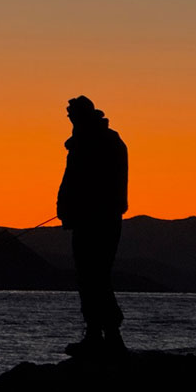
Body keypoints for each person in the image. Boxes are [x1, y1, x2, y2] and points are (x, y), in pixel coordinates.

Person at [56, 95, 128, 357]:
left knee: (94, 276)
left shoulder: (97, 143)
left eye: (72, 115)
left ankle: (106, 336)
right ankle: (98, 334)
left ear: (82, 116)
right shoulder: (95, 141)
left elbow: (87, 182)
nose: (70, 119)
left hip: (97, 221)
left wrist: (75, 209)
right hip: (92, 219)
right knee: (92, 277)